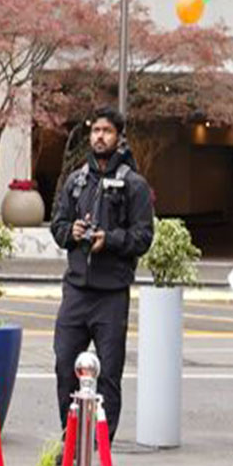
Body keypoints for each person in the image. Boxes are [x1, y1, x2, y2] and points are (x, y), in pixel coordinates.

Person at [49, 107, 154, 444]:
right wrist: (73, 231)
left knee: (108, 375)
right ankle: (71, 439)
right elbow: (58, 225)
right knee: (65, 367)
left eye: (107, 131)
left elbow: (143, 237)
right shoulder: (77, 181)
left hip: (112, 293)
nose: (99, 137)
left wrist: (109, 240)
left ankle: (100, 448)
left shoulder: (134, 185)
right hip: (76, 290)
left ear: (119, 136)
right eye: (95, 131)